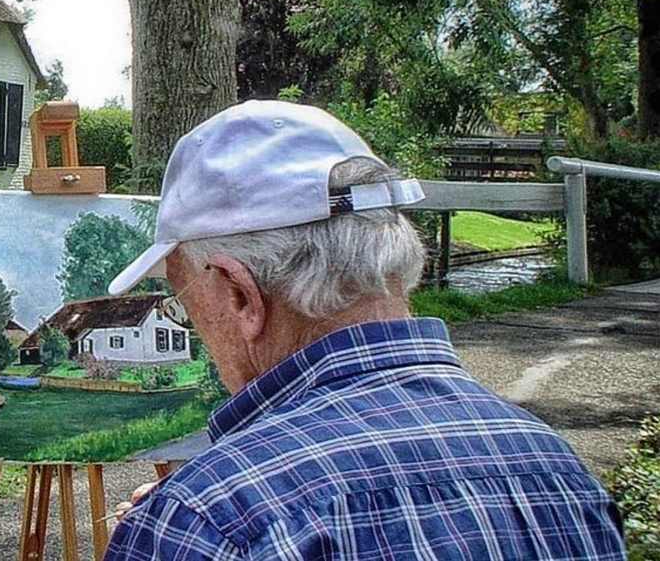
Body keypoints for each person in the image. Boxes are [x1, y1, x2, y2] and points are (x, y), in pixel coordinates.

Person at [102, 100, 625, 560]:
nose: (193, 328)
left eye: (184, 298)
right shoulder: (556, 466)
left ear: (240, 294)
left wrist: (164, 535)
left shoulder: (210, 520)